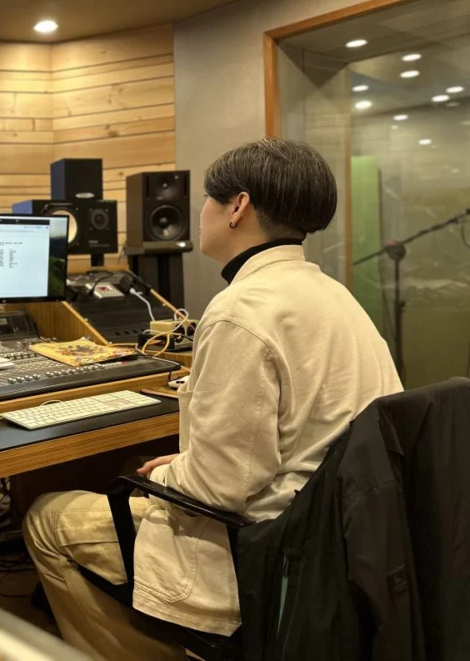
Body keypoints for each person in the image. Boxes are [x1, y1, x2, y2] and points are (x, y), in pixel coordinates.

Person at [23, 138, 402, 661]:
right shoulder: (336, 296)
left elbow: (220, 488)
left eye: (206, 198)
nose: (199, 211)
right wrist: (186, 463)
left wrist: (167, 475)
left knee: (46, 517)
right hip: (338, 543)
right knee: (143, 469)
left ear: (237, 207)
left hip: (265, 550)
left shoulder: (240, 311)